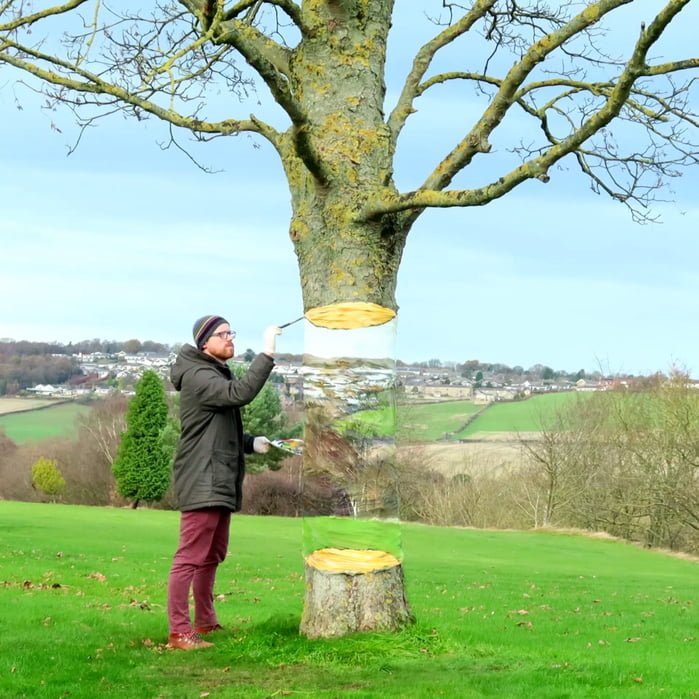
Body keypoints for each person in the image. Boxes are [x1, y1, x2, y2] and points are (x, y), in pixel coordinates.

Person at [166, 314, 281, 650]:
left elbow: (216, 429)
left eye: (231, 332)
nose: (230, 338)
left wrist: (251, 443)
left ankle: (205, 622)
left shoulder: (211, 371)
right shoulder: (199, 375)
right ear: (205, 343)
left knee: (212, 555)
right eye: (223, 334)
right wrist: (268, 353)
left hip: (217, 477)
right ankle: (179, 632)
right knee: (190, 556)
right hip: (203, 477)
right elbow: (240, 393)